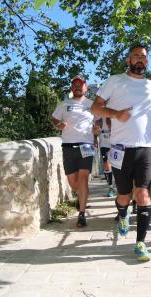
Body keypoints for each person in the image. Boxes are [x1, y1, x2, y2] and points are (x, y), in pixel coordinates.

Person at [91, 44, 151, 261]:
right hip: (120, 149)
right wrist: (115, 114)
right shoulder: (115, 81)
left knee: (142, 193)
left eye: (144, 57)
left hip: (145, 148)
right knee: (124, 195)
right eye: (136, 56)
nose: (140, 60)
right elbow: (95, 108)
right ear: (128, 60)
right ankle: (123, 213)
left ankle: (141, 243)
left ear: (148, 61)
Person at [51, 75, 99, 228]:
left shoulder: (92, 104)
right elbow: (53, 118)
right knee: (73, 183)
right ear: (72, 88)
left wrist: (97, 128)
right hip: (68, 147)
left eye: (81, 84)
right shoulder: (64, 104)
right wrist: (58, 124)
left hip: (86, 145)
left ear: (86, 87)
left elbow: (98, 120)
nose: (78, 87)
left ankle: (82, 214)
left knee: (83, 178)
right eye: (75, 85)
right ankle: (81, 196)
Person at [98, 117, 116, 197]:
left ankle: (122, 187)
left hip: (117, 140)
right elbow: (94, 126)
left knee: (118, 165)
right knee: (107, 164)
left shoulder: (116, 108)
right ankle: (110, 187)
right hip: (104, 142)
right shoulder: (99, 110)